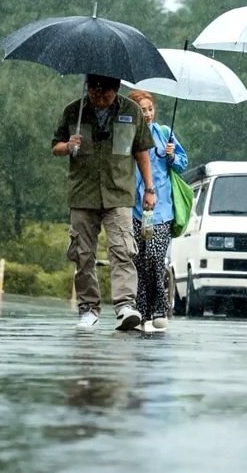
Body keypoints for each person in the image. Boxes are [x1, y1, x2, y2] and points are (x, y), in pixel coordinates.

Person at [52, 73, 157, 332]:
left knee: (123, 249)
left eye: (105, 93)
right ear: (88, 87)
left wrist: (149, 189)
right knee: (82, 253)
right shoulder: (73, 111)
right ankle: (88, 308)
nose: (99, 97)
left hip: (119, 192)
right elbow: (55, 146)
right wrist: (68, 146)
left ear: (116, 89)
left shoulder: (132, 112)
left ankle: (124, 306)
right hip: (83, 193)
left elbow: (141, 151)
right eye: (94, 91)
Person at [127, 89, 188, 333]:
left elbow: (183, 164)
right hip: (134, 208)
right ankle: (142, 311)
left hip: (161, 209)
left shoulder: (164, 134)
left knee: (154, 256)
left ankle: (159, 306)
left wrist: (173, 156)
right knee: (139, 260)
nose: (148, 114)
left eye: (150, 109)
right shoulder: (127, 136)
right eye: (142, 111)